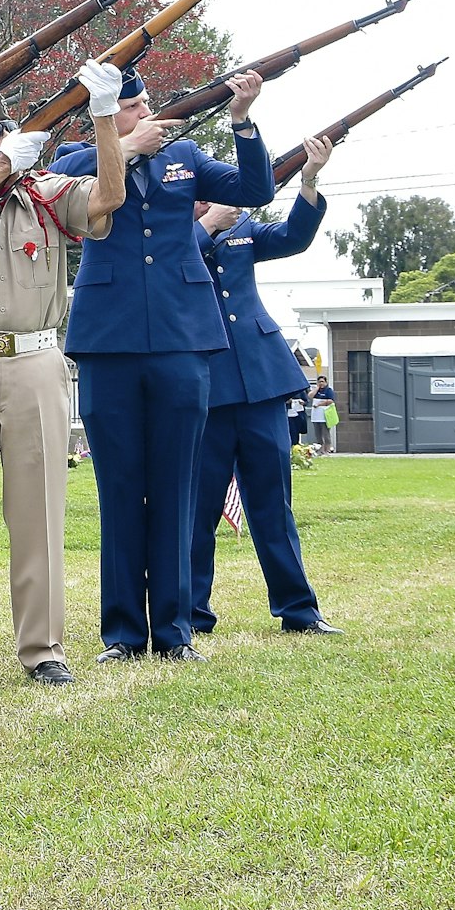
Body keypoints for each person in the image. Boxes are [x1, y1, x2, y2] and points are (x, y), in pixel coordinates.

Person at [47, 64, 274, 663]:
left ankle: (173, 631)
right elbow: (54, 186)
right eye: (132, 108)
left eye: (147, 105)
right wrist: (118, 147)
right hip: (110, 339)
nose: (147, 114)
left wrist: (242, 120)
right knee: (118, 486)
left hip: (181, 336)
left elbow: (256, 191)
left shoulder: (188, 155)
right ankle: (122, 633)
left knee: (177, 484)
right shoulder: (76, 157)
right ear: (106, 114)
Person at [0, 60, 128, 688]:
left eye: (0, 141)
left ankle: (42, 647)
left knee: (39, 510)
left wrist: (103, 118)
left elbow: (107, 198)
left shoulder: (46, 196)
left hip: (36, 358)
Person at [188, 134, 342, 636]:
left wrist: (310, 178)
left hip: (260, 381)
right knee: (199, 508)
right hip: (204, 386)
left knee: (273, 504)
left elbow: (294, 238)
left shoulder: (243, 225)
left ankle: (299, 610)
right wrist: (208, 224)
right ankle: (191, 613)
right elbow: (176, 262)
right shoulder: (170, 233)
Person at [311, 374, 338, 452]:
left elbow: (331, 401)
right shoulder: (316, 391)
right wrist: (316, 389)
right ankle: (320, 449)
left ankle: (327, 449)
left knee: (325, 433)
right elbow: (310, 395)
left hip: (324, 416)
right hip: (316, 416)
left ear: (326, 382)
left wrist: (319, 404)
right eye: (319, 382)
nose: (321, 383)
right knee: (318, 434)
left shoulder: (328, 390)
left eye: (322, 382)